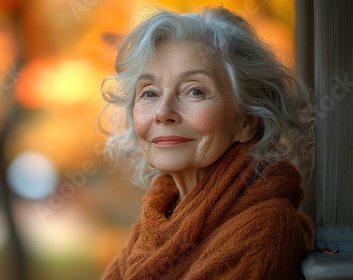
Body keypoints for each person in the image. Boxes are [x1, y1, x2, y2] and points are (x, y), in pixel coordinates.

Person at [100, 6, 314, 279]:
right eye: (149, 93)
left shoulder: (263, 228)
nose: (163, 112)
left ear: (247, 120)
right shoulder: (160, 214)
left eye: (195, 91)